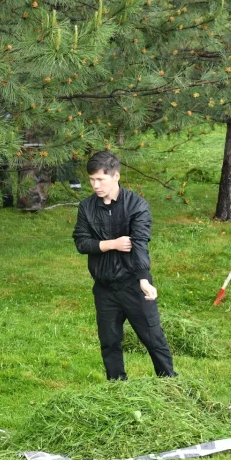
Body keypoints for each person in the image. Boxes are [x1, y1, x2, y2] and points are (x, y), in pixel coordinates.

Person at [72, 151, 175, 381]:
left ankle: (170, 384)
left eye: (101, 179)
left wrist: (143, 280)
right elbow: (81, 242)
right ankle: (117, 386)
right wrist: (113, 244)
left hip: (133, 286)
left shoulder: (137, 205)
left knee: (153, 338)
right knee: (109, 342)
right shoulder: (87, 207)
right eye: (91, 180)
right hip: (104, 288)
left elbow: (139, 244)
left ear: (116, 176)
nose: (95, 185)